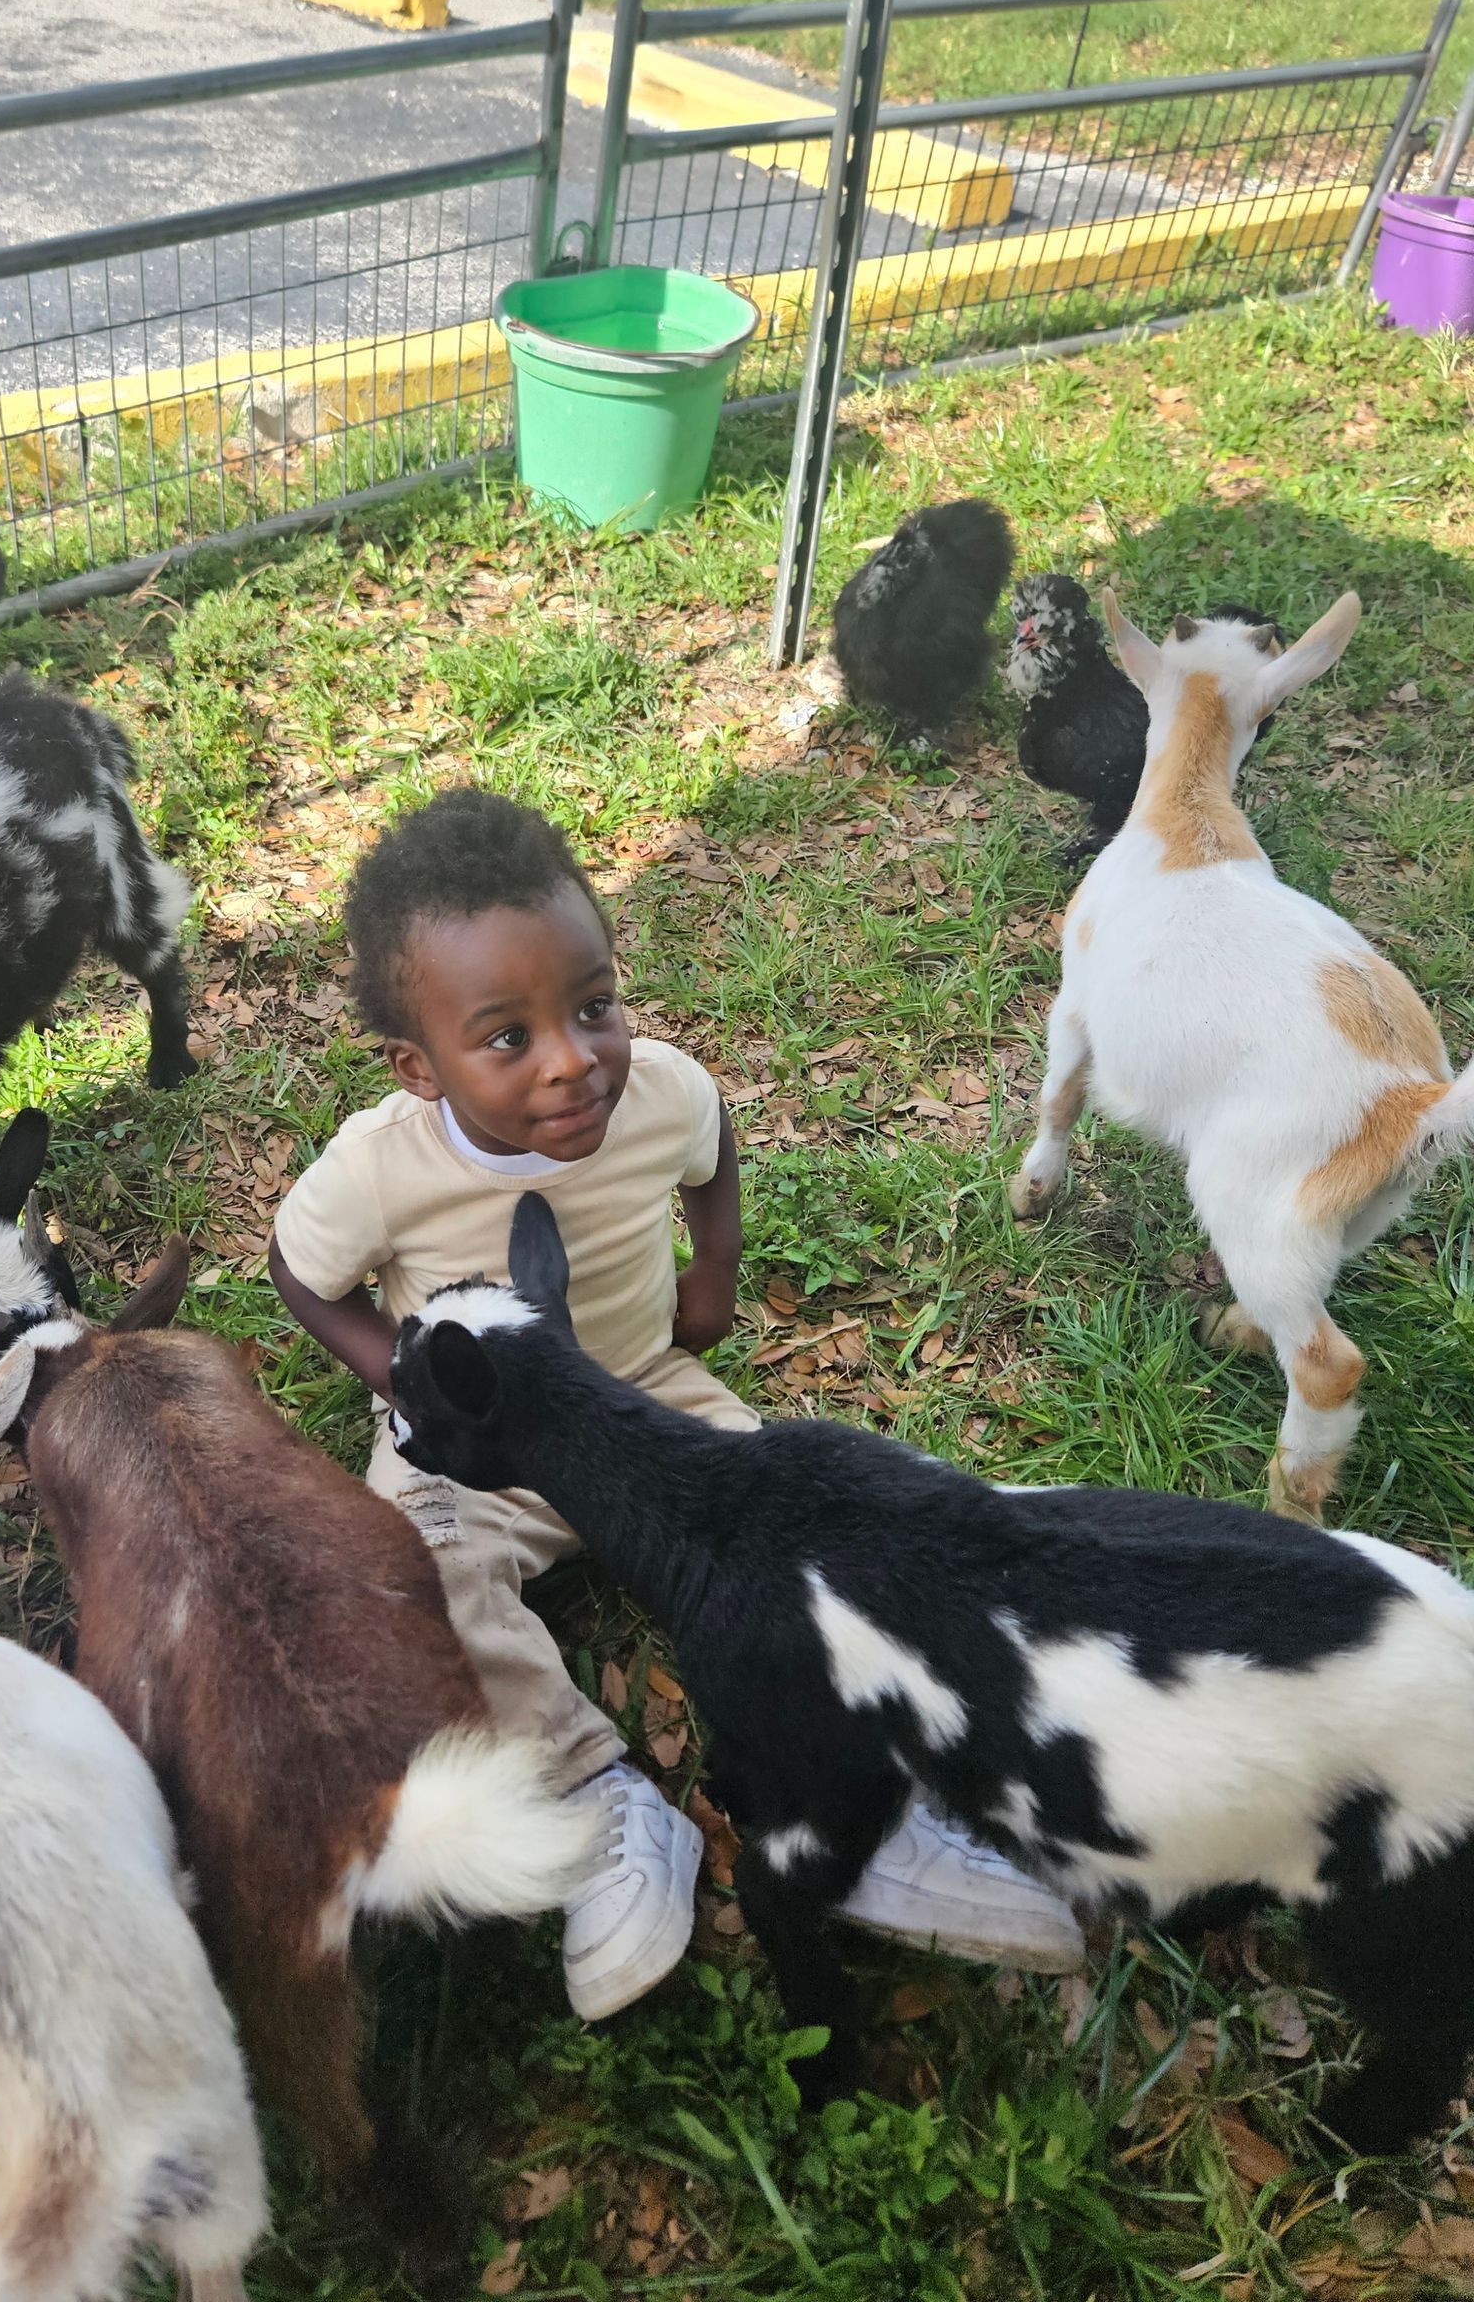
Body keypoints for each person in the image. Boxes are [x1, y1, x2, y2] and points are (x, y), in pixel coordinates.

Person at [270, 787, 1082, 2018]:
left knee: (823, 1541)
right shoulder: (382, 1164)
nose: (572, 1059)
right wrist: (392, 1366)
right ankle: (595, 1806)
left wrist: (715, 1271)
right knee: (408, 1570)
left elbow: (714, 1159)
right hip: (476, 1449)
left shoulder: (659, 1092)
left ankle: (864, 1808)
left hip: (650, 1393)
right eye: (507, 1036)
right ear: (416, 1065)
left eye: (593, 1006)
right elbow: (297, 1268)